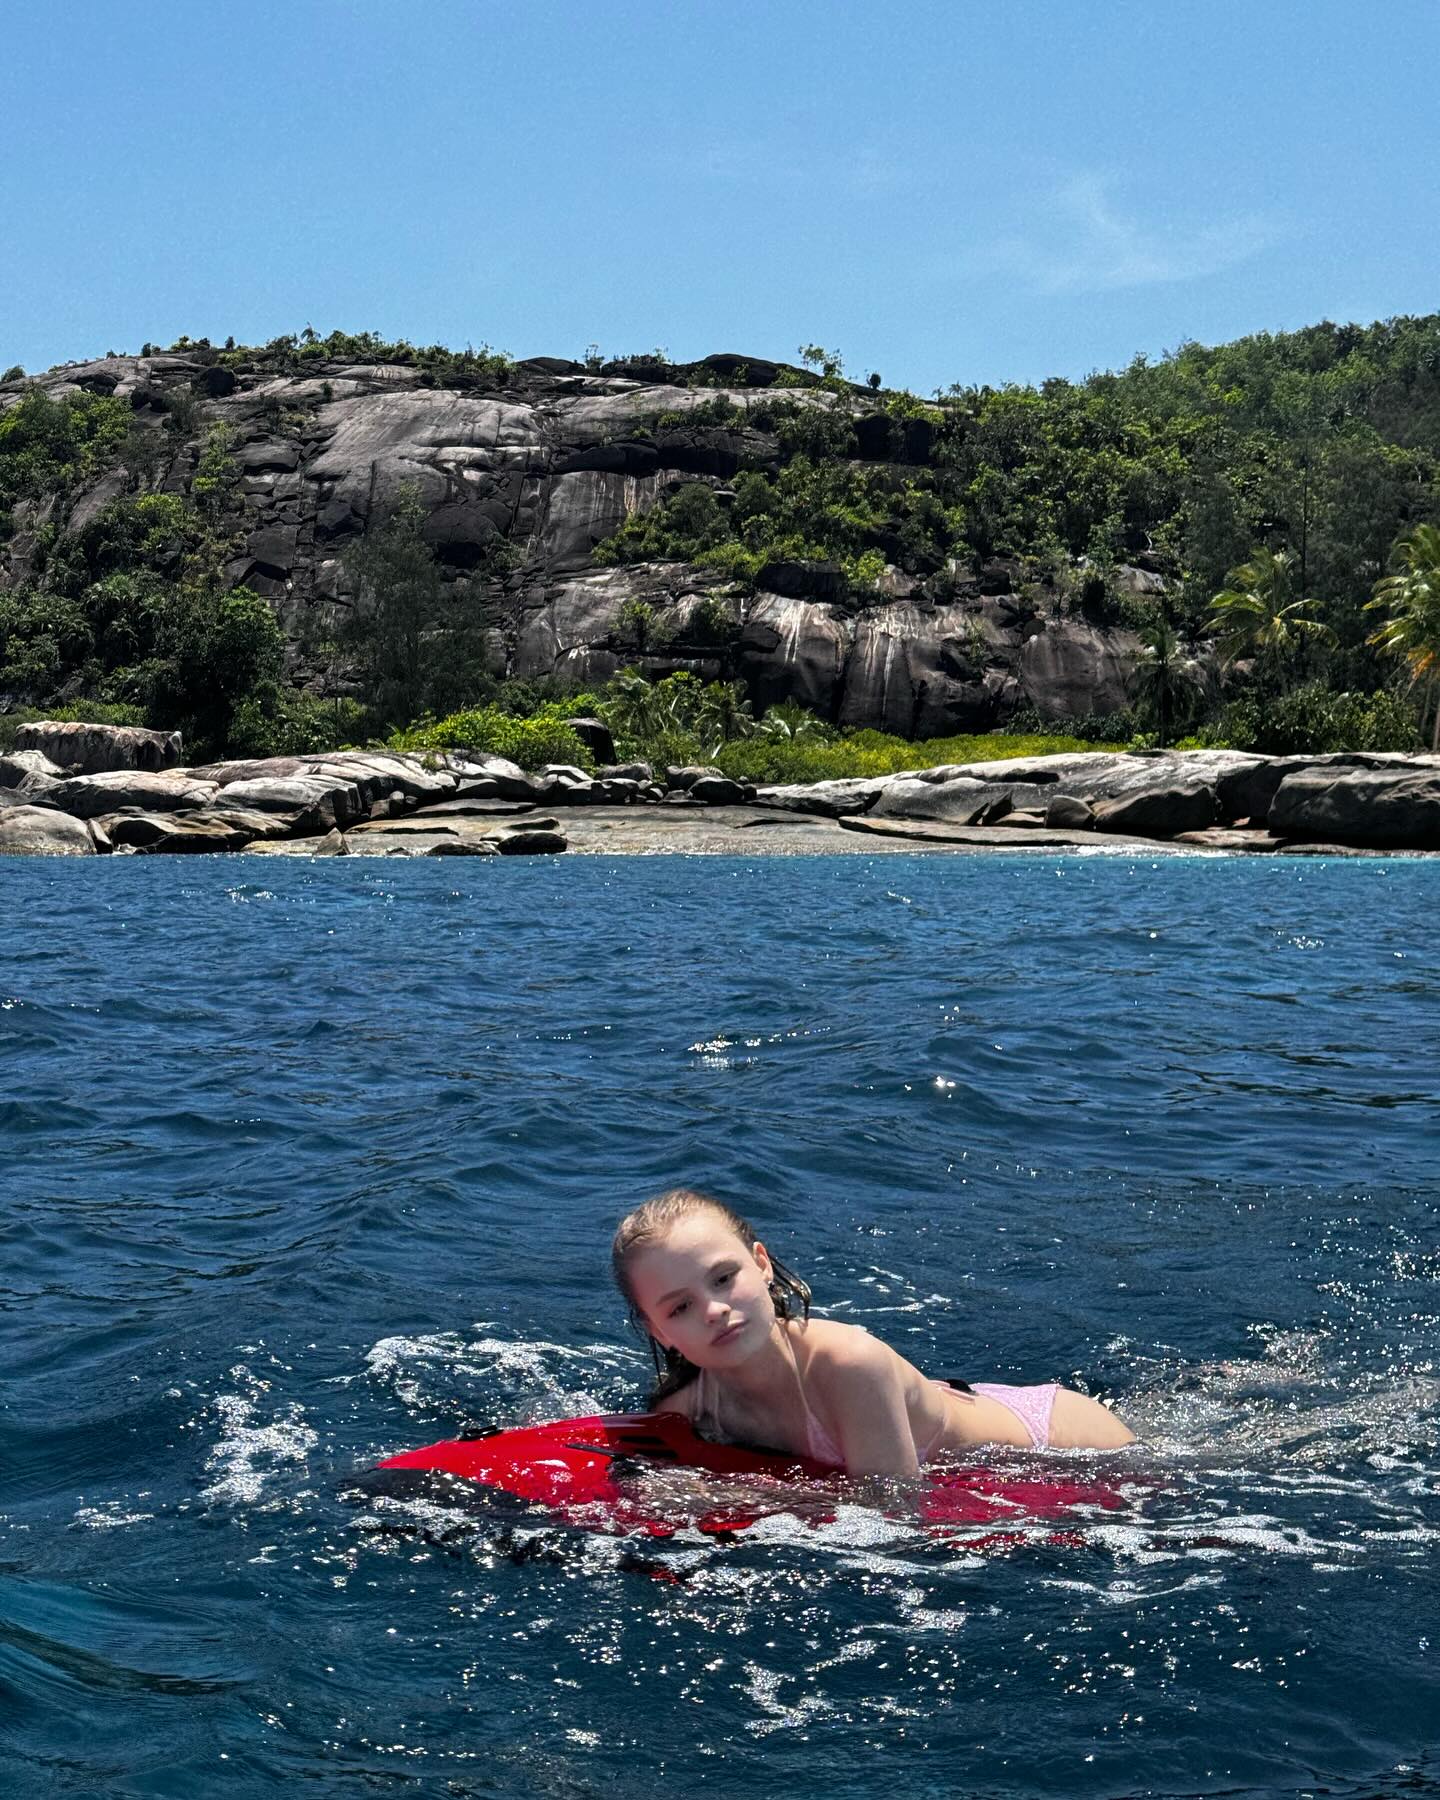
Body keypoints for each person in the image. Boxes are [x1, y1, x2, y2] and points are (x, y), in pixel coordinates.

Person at [612, 1188, 1135, 1478]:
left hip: (1057, 1440)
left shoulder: (850, 1363)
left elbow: (892, 1515)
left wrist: (737, 1497)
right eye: (681, 1307)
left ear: (762, 1264)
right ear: (658, 1330)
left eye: (724, 1278)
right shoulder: (686, 1409)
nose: (714, 1310)